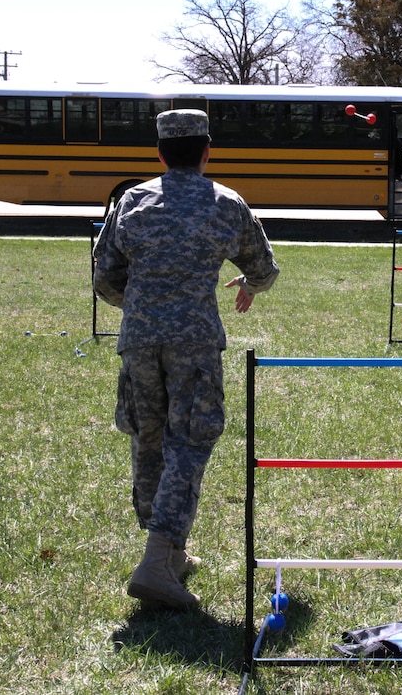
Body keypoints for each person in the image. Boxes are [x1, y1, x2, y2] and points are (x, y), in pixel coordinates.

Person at [93, 109, 279, 610]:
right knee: (189, 443)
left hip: (137, 340)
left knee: (147, 437)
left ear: (159, 153)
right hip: (193, 344)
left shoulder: (132, 200)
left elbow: (104, 279)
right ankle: (157, 560)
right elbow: (263, 267)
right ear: (207, 150)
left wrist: (141, 306)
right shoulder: (226, 202)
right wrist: (250, 285)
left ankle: (169, 553)